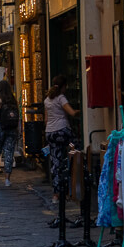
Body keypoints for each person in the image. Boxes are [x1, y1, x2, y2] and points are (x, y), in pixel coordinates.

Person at [44, 75, 80, 207]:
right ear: (64, 86)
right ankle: (74, 180)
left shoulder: (47, 100)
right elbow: (71, 112)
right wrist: (79, 111)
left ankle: (56, 194)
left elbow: (46, 120)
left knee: (55, 162)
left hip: (50, 133)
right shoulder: (61, 98)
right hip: (62, 131)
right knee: (76, 147)